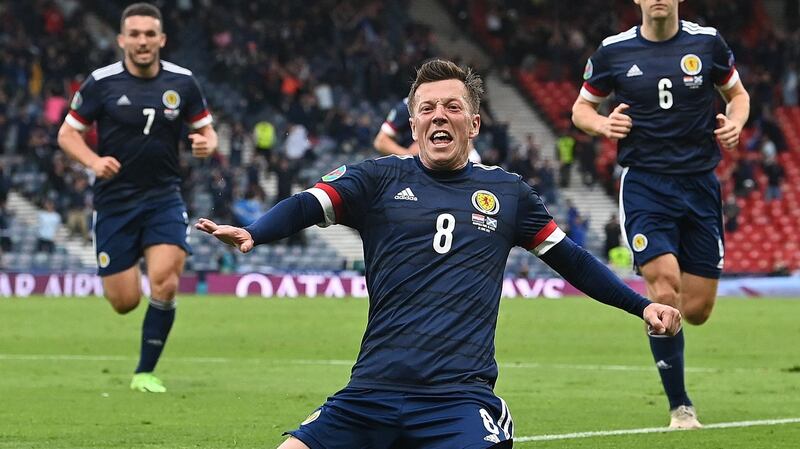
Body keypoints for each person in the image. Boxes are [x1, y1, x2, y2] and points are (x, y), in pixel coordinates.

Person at [198, 59, 681, 449]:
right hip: (371, 393)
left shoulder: (507, 193)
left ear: (472, 123)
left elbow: (573, 260)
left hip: (458, 399)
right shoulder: (377, 178)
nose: (438, 116)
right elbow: (308, 203)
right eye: (427, 108)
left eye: (451, 107)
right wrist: (254, 234)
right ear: (413, 123)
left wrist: (642, 305)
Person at [571, 0, 750, 428]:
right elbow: (581, 109)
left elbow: (738, 95)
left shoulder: (707, 43)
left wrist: (736, 123)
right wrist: (601, 126)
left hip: (700, 185)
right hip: (646, 185)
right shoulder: (613, 51)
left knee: (699, 310)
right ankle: (680, 407)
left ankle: (677, 349)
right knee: (664, 287)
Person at [57, 3, 217, 393]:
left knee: (164, 283)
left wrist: (205, 145)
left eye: (150, 34)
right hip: (114, 203)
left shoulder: (183, 82)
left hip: (164, 197)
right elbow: (66, 134)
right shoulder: (101, 82)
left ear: (161, 39)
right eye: (135, 34)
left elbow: (209, 133)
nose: (142, 41)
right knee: (124, 301)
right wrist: (94, 162)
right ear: (122, 40)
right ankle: (133, 291)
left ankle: (145, 372)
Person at [374, 96, 482, 163]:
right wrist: (410, 158)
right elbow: (381, 142)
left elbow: (467, 145)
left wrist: (471, 156)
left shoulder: (455, 106)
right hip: (412, 173)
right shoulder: (407, 107)